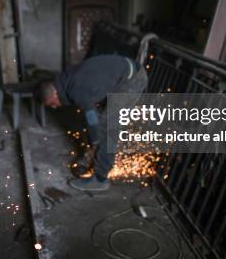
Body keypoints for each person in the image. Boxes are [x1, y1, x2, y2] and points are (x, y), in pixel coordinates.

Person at [39, 54, 147, 192]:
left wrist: (95, 142)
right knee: (99, 122)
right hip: (123, 74)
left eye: (51, 104)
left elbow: (92, 120)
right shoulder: (65, 80)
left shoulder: (77, 90)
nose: (54, 107)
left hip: (132, 80)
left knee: (107, 126)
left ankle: (100, 178)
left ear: (54, 94)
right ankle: (97, 158)